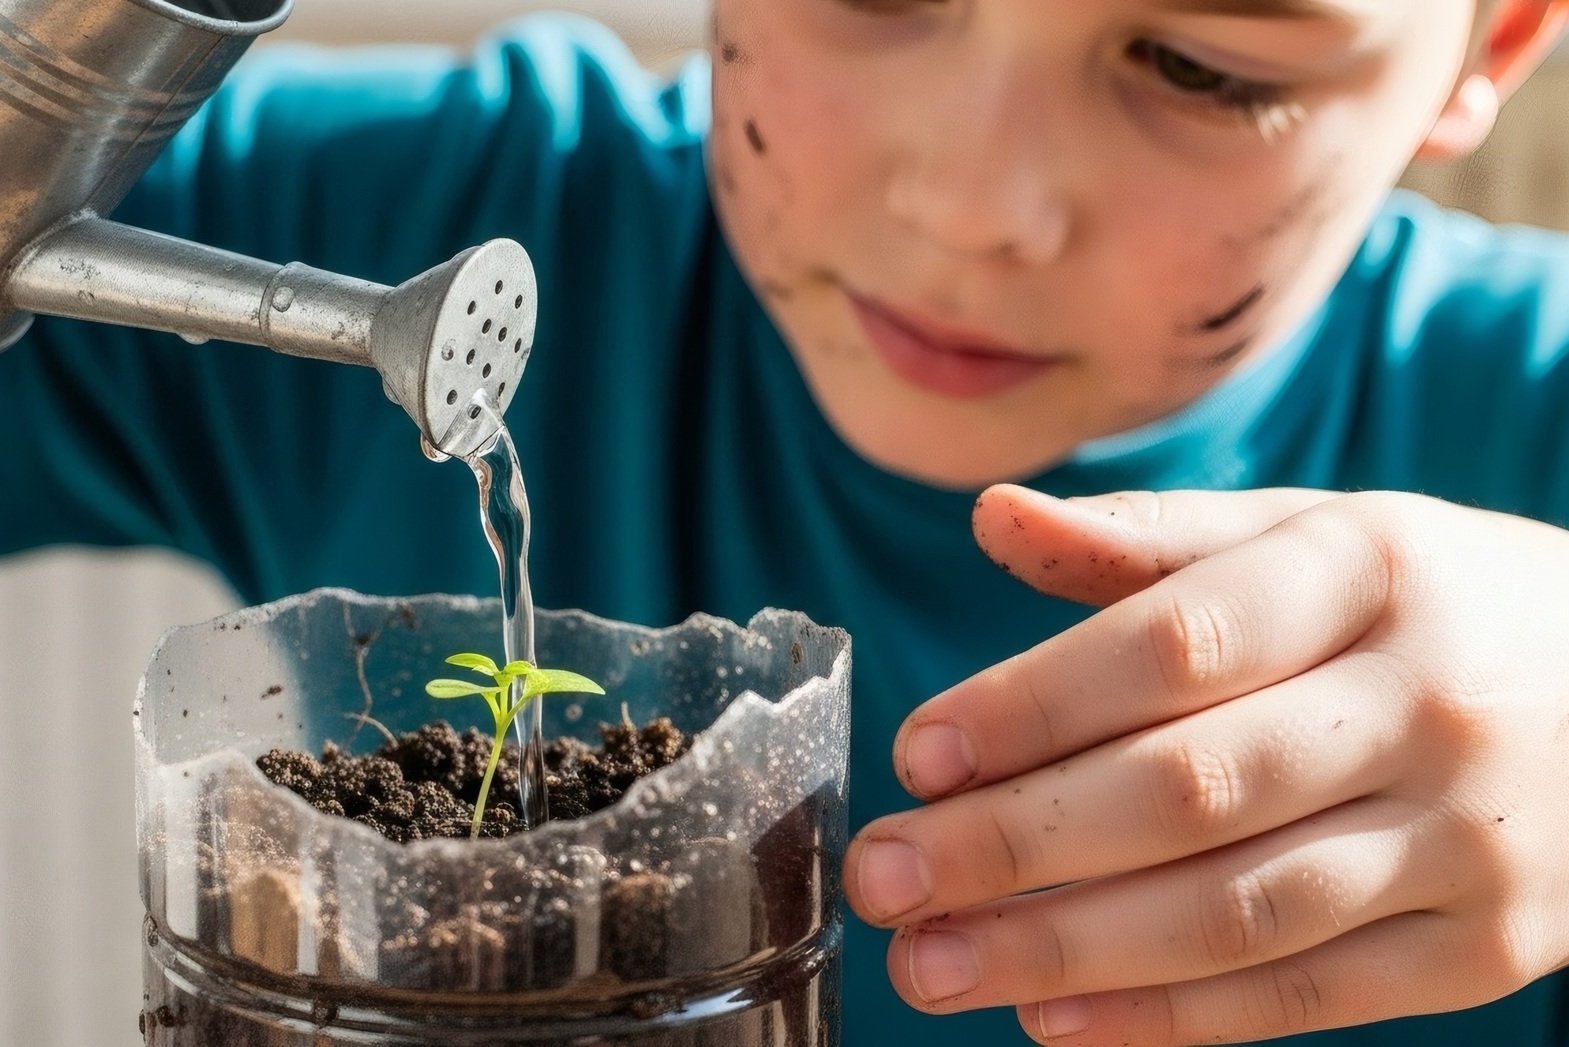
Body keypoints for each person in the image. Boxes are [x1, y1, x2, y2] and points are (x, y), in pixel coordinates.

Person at [4, 0, 1569, 1042]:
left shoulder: (1526, 421)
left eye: (1203, 69)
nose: (968, 204)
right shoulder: (414, 209)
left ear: (1488, 39)